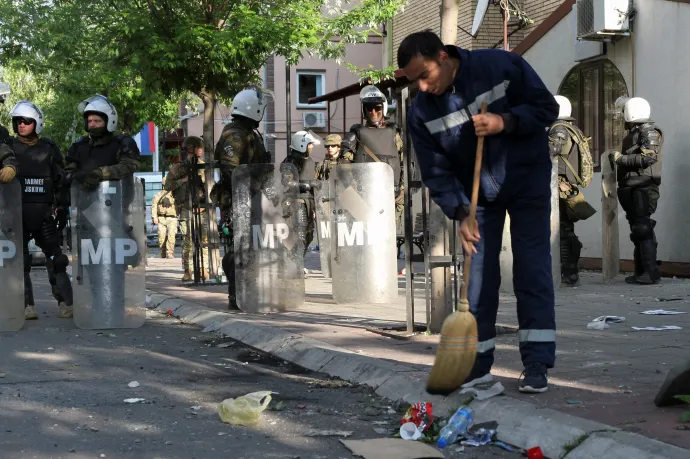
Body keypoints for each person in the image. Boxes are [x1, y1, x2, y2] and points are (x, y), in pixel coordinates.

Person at [398, 30, 559, 394]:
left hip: (527, 181)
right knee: (478, 280)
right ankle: (477, 366)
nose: (421, 87)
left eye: (424, 75)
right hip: (476, 201)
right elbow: (435, 170)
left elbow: (545, 109)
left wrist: (505, 122)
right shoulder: (421, 111)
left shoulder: (499, 66)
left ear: (442, 56)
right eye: (413, 81)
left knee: (532, 268)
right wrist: (460, 211)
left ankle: (536, 362)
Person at [9, 100, 73, 319]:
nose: (21, 125)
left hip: (44, 214)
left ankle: (66, 303)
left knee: (57, 259)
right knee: (20, 262)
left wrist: (63, 208)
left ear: (37, 123)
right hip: (16, 214)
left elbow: (61, 179)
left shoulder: (49, 147)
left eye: (26, 121)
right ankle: (27, 305)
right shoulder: (9, 147)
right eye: (18, 121)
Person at [212, 86, 271, 309]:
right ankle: (236, 294)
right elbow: (231, 171)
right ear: (252, 108)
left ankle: (249, 291)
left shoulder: (249, 132)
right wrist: (253, 188)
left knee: (252, 247)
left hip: (254, 197)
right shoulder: (235, 134)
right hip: (240, 199)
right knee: (240, 249)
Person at [613, 97, 663, 285]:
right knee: (638, 229)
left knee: (643, 228)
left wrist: (621, 159)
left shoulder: (648, 132)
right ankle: (641, 272)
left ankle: (650, 273)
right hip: (632, 186)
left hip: (642, 186)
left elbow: (648, 158)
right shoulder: (635, 132)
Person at [549, 95, 595, 286]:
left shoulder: (559, 129)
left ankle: (568, 272)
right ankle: (569, 271)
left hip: (559, 186)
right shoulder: (572, 129)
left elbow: (551, 151)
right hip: (565, 186)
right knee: (566, 229)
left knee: (563, 231)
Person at [343, 85, 405, 229]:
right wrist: (352, 195)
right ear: (364, 110)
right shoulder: (356, 133)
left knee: (388, 240)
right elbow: (343, 165)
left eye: (377, 108)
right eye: (369, 109)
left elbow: (405, 162)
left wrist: (403, 190)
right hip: (363, 196)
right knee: (366, 241)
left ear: (383, 108)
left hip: (391, 196)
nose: (373, 112)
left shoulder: (394, 132)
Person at [65, 95, 140, 190]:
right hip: (83, 201)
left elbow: (129, 165)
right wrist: (78, 176)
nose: (92, 124)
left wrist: (101, 173)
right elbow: (68, 172)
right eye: (89, 121)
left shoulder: (122, 143)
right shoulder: (79, 146)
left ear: (109, 121)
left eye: (97, 121)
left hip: (116, 201)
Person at [164, 136, 209, 281]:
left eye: (201, 147)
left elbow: (211, 188)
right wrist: (184, 180)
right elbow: (167, 186)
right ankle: (188, 269)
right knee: (187, 240)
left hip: (201, 208)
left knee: (203, 240)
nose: (201, 150)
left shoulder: (204, 167)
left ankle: (203, 269)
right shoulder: (179, 168)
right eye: (198, 147)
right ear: (190, 149)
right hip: (185, 208)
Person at [282, 131, 318, 255]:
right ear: (301, 144)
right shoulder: (291, 161)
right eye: (309, 144)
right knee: (299, 236)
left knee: (308, 236)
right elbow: (287, 182)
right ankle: (295, 265)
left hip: (308, 202)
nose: (311, 147)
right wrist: (306, 185)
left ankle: (299, 263)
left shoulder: (310, 161)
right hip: (296, 203)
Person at [151, 176, 178, 259]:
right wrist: (154, 217)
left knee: (171, 236)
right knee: (161, 236)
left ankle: (170, 253)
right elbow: (154, 206)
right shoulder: (158, 195)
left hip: (172, 218)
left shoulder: (175, 194)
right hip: (161, 218)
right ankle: (163, 251)